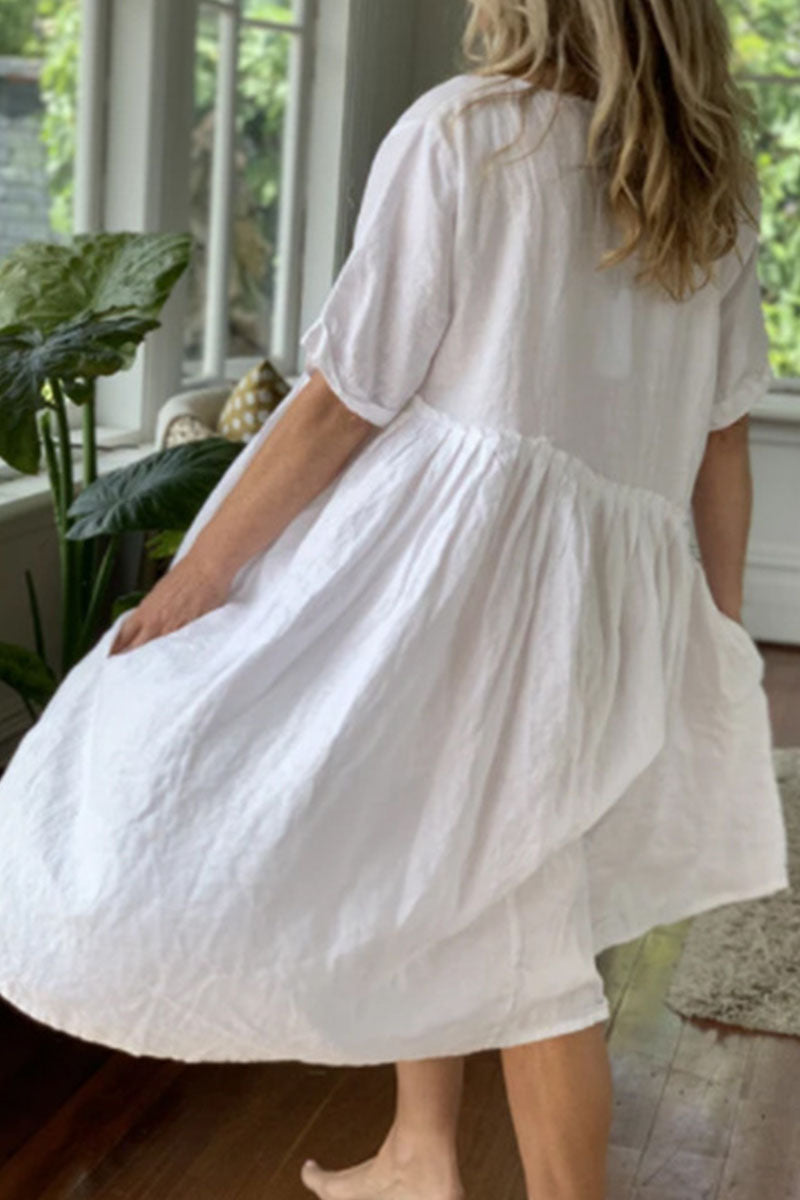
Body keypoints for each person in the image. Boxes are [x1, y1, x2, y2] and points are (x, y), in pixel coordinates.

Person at [0, 0, 791, 1197]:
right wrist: (717, 628)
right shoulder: (705, 187)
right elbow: (721, 442)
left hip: (452, 577)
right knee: (441, 860)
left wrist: (201, 576)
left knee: (525, 929)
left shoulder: (469, 132)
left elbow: (345, 396)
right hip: (604, 591)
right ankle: (418, 1151)